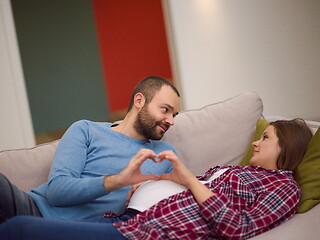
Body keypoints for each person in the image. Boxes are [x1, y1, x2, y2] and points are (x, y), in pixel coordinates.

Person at [0, 118, 313, 240]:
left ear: (285, 146)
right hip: (128, 221)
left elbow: (237, 227)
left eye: (267, 138)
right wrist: (146, 185)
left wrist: (188, 179)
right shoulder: (240, 172)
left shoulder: (284, 188)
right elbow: (193, 193)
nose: (256, 142)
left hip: (152, 234)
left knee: (16, 229)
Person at [0, 75, 180, 223]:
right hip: (32, 211)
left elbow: (181, 205)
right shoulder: (86, 130)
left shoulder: (165, 155)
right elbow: (57, 191)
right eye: (165, 110)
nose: (171, 121)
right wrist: (117, 181)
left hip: (88, 231)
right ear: (139, 101)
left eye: (174, 115)